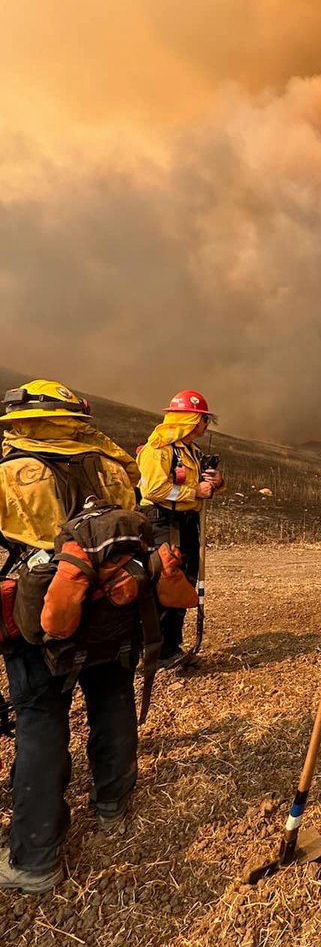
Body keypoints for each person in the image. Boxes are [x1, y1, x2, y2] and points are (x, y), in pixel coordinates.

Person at [0, 380, 142, 892]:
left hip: (42, 612)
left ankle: (35, 859)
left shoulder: (10, 472)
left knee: (41, 719)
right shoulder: (111, 464)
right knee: (113, 698)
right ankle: (112, 804)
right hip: (111, 605)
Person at [136, 391, 224, 667]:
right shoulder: (158, 449)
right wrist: (194, 491)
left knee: (184, 581)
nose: (206, 425)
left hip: (186, 522)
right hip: (163, 522)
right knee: (166, 582)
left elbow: (200, 486)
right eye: (204, 419)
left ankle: (170, 647)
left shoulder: (191, 451)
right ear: (191, 419)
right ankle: (153, 650)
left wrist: (216, 482)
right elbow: (154, 489)